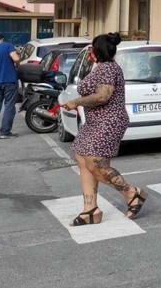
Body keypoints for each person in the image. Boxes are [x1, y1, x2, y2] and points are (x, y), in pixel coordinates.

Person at [60, 33, 146, 225]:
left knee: (95, 164)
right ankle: (90, 210)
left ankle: (132, 193)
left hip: (108, 121)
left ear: (95, 50)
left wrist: (76, 102)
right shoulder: (101, 68)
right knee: (82, 157)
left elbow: (102, 96)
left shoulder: (108, 68)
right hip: (94, 122)